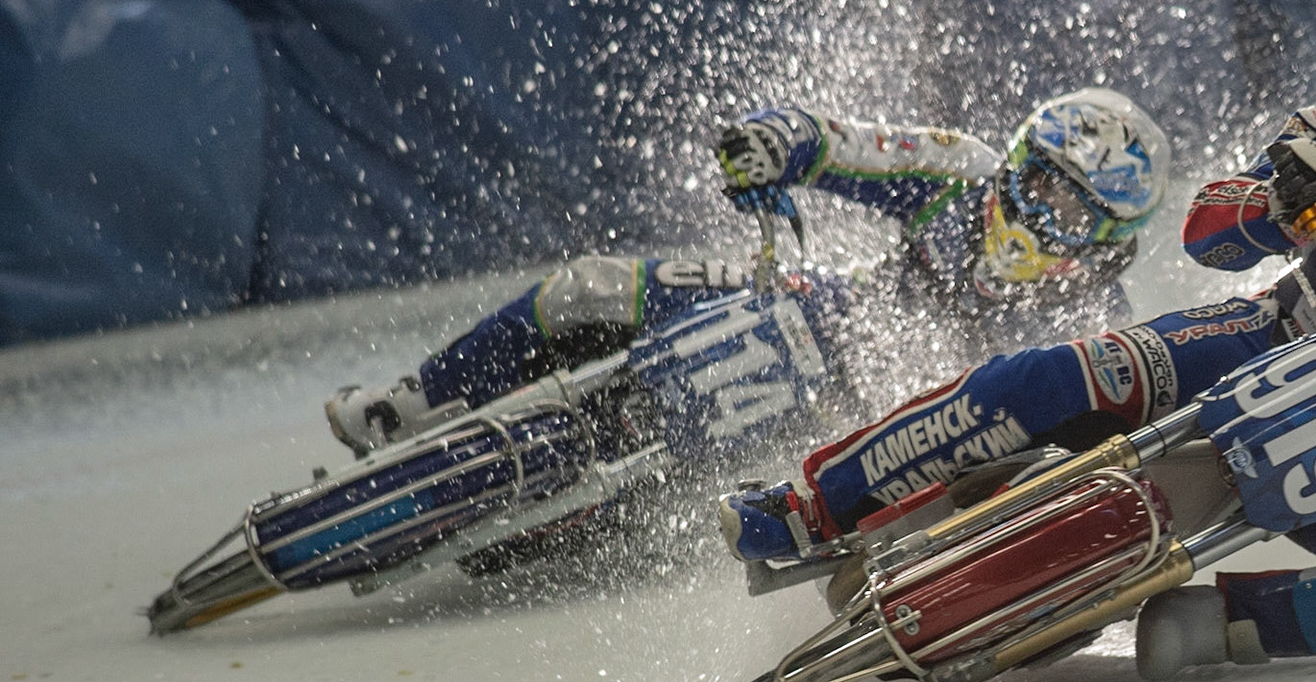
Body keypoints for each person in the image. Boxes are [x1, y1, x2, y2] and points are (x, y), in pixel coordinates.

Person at [719, 0, 1316, 679]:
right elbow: (1204, 231)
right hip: (1254, 333)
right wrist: (1274, 206)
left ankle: (1231, 625)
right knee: (1044, 379)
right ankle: (809, 503)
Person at [324, 87, 1171, 456]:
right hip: (822, 311)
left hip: (879, 437)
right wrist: (775, 141)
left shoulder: (1097, 332)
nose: (1030, 211)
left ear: (1104, 243)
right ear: (1013, 158)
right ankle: (413, 405)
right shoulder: (960, 171)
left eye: (1066, 209)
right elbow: (842, 142)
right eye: (1033, 179)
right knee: (590, 286)